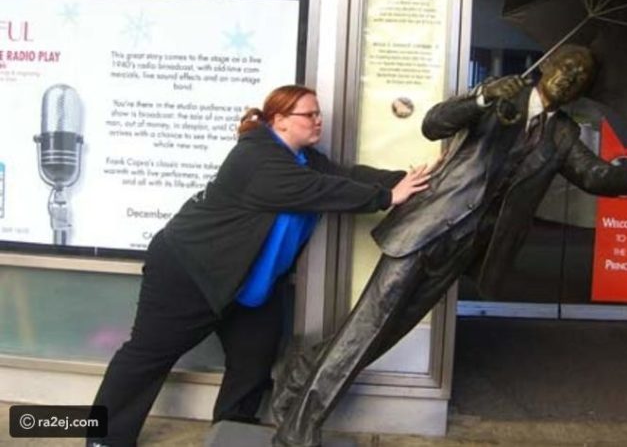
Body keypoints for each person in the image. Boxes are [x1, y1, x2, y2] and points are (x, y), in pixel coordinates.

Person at [271, 45, 627, 447]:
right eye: (566, 66)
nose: (570, 75)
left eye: (580, 75)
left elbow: (598, 176)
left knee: (385, 331)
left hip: (466, 247)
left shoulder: (562, 135)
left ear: (582, 90)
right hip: (426, 228)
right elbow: (432, 124)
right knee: (367, 327)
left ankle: (300, 370)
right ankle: (298, 430)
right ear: (548, 67)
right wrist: (481, 98)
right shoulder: (503, 96)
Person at [87, 85, 430, 447]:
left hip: (250, 282)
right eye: (309, 115)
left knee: (253, 360)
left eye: (319, 114)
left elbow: (344, 176)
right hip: (191, 272)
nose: (318, 121)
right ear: (280, 121)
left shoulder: (304, 158)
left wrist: (409, 181)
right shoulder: (255, 158)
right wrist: (387, 197)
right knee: (148, 355)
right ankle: (103, 438)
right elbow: (317, 190)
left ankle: (231, 432)